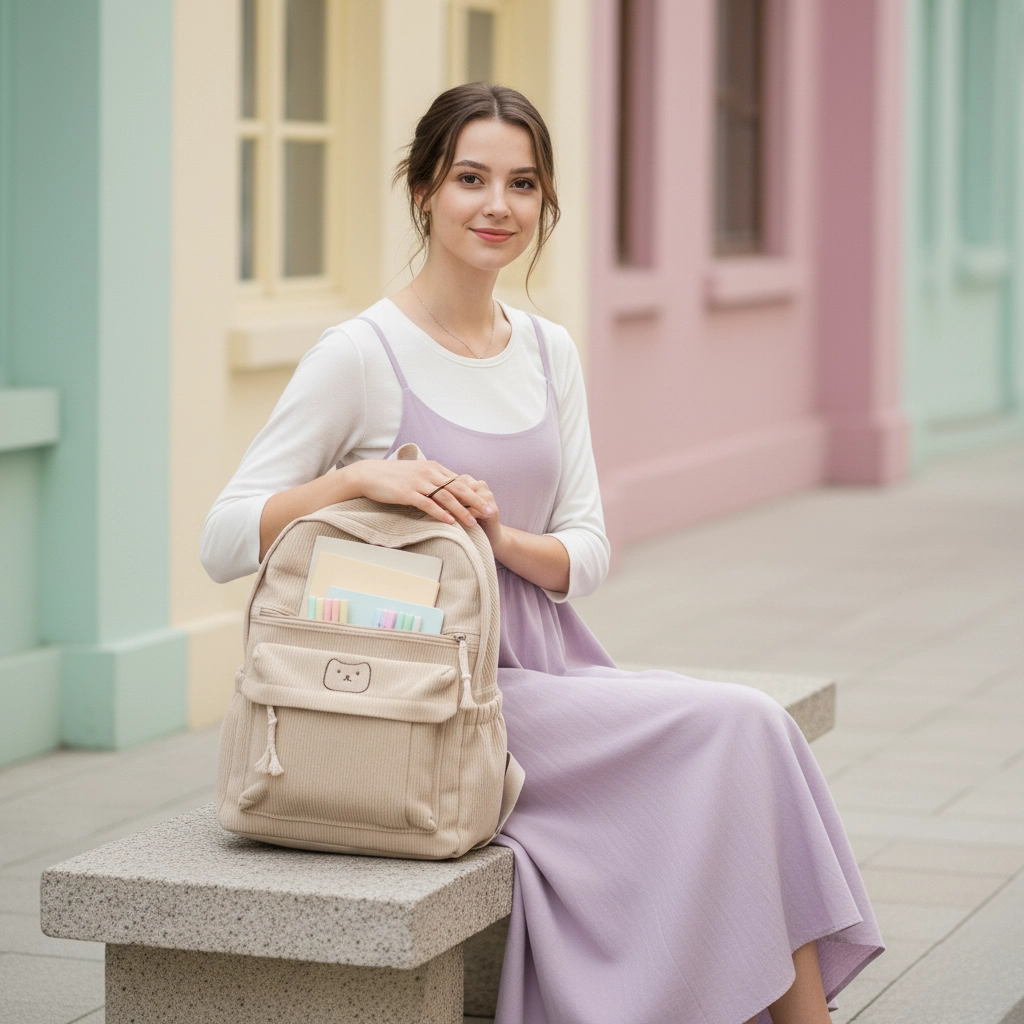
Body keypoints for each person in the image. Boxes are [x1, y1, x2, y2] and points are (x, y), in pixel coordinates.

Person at [202, 82, 883, 1024]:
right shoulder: (360, 353)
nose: (498, 205)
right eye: (471, 178)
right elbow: (224, 537)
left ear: (544, 203)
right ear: (424, 193)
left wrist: (496, 536)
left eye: (522, 185)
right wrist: (362, 483)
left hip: (553, 668)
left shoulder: (548, 350)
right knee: (741, 729)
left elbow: (590, 549)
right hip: (440, 695)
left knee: (753, 730)